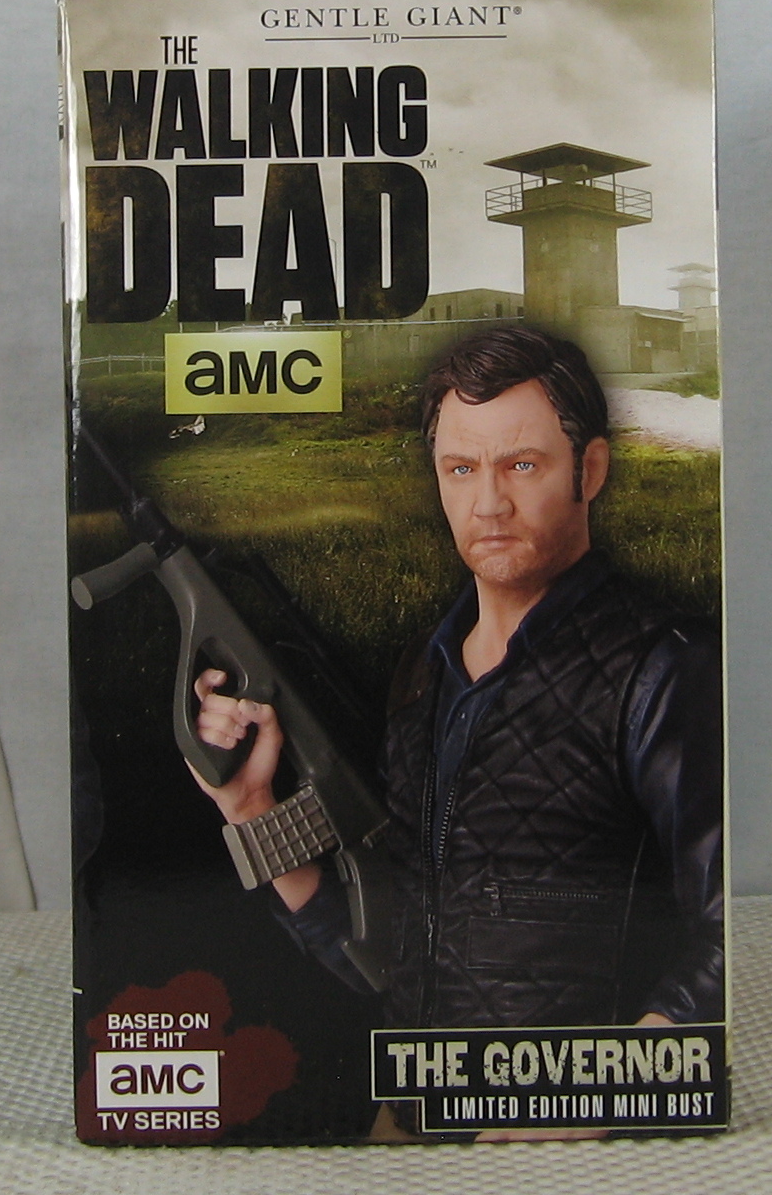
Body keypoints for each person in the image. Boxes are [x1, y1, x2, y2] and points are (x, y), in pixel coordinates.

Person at [188, 325, 724, 1137]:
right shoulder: (425, 674)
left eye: (522, 465)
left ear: (590, 470)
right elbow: (383, 953)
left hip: (571, 1158)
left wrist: (610, 1086)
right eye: (461, 468)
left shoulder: (661, 666)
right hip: (407, 1128)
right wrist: (252, 807)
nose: (489, 503)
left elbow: (735, 925)